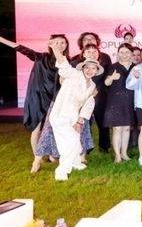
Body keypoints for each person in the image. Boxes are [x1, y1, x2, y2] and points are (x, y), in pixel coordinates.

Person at [32, 43, 98, 173]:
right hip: (60, 115)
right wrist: (55, 50)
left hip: (73, 117)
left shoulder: (92, 85)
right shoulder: (74, 74)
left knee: (75, 140)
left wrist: (80, 121)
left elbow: (88, 105)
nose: (90, 71)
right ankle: (62, 171)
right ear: (82, 68)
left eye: (93, 68)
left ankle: (76, 162)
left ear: (96, 71)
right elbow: (64, 65)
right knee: (68, 143)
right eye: (87, 68)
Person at [0, 34, 69, 156]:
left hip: (55, 99)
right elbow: (21, 48)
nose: (59, 45)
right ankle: (37, 156)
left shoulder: (67, 62)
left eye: (62, 42)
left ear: (66, 45)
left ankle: (52, 154)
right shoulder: (41, 57)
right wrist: (2, 40)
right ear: (50, 44)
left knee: (53, 128)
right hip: (38, 98)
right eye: (56, 42)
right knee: (36, 129)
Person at [71, 32, 112, 152]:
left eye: (92, 39)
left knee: (102, 121)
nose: (89, 41)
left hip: (100, 94)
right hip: (82, 96)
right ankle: (85, 147)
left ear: (97, 42)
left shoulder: (105, 58)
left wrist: (98, 89)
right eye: (86, 39)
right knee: (84, 121)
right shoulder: (75, 60)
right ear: (81, 44)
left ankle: (104, 146)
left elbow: (108, 75)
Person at [104, 43, 135, 163]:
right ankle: (117, 155)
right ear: (118, 54)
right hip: (115, 101)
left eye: (127, 52)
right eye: (122, 52)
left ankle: (124, 153)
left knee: (126, 128)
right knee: (117, 129)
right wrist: (112, 78)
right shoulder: (113, 67)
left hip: (130, 101)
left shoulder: (135, 67)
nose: (124, 55)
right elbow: (106, 83)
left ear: (131, 54)